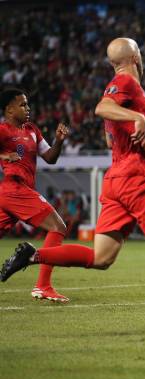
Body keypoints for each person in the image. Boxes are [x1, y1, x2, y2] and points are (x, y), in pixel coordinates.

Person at [0, 38, 145, 335]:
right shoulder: (125, 81)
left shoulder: (124, 87)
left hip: (116, 181)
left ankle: (33, 256)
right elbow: (103, 108)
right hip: (135, 179)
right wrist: (138, 117)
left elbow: (113, 139)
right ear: (136, 56)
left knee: (101, 258)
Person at [0, 88, 70, 302]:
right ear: (9, 110)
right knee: (58, 227)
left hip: (16, 193)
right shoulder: (3, 130)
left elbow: (50, 158)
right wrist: (3, 154)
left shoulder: (32, 130)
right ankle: (43, 286)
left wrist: (58, 141)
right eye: (22, 105)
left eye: (28, 104)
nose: (27, 108)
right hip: (15, 188)